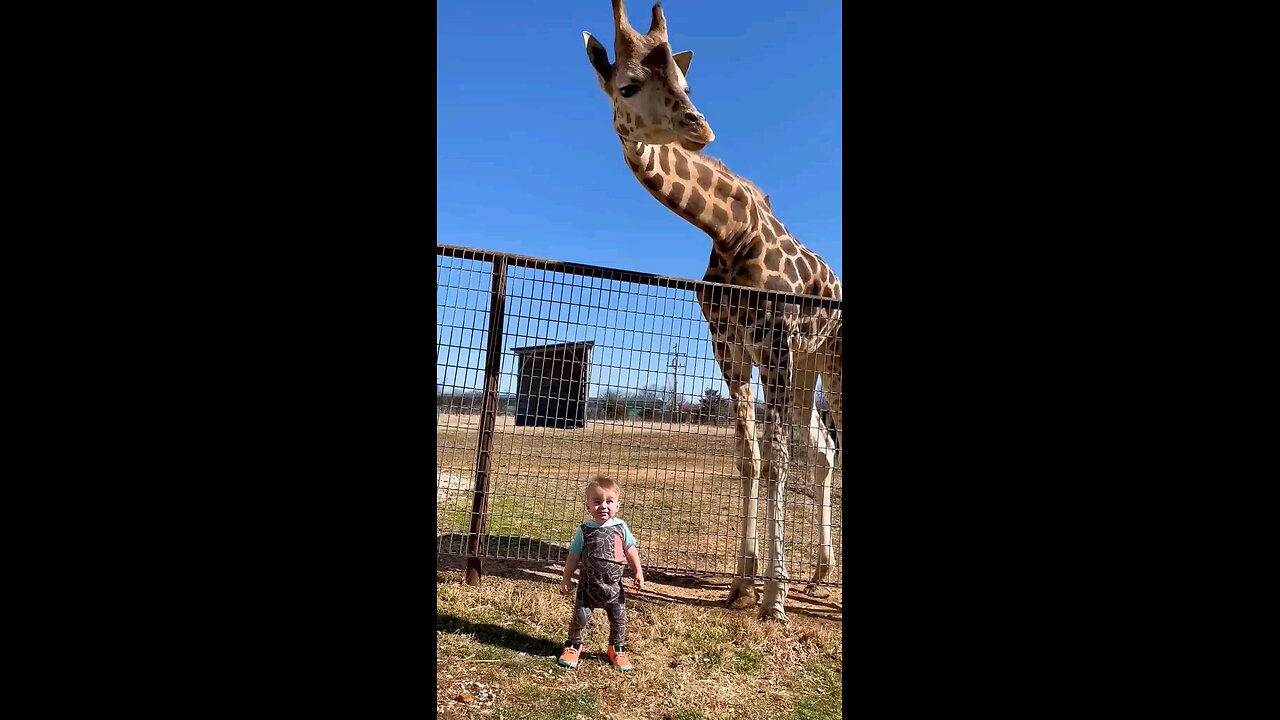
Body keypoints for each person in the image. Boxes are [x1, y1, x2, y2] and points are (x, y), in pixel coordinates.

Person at [557, 474, 644, 671]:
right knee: (580, 617)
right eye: (597, 502)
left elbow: (631, 550)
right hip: (588, 589)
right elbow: (573, 555)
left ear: (617, 506)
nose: (603, 506)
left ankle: (617, 648)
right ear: (588, 506)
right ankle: (573, 645)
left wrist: (637, 571)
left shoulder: (621, 528)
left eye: (609, 501)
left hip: (614, 590)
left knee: (619, 620)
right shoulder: (585, 530)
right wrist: (566, 577)